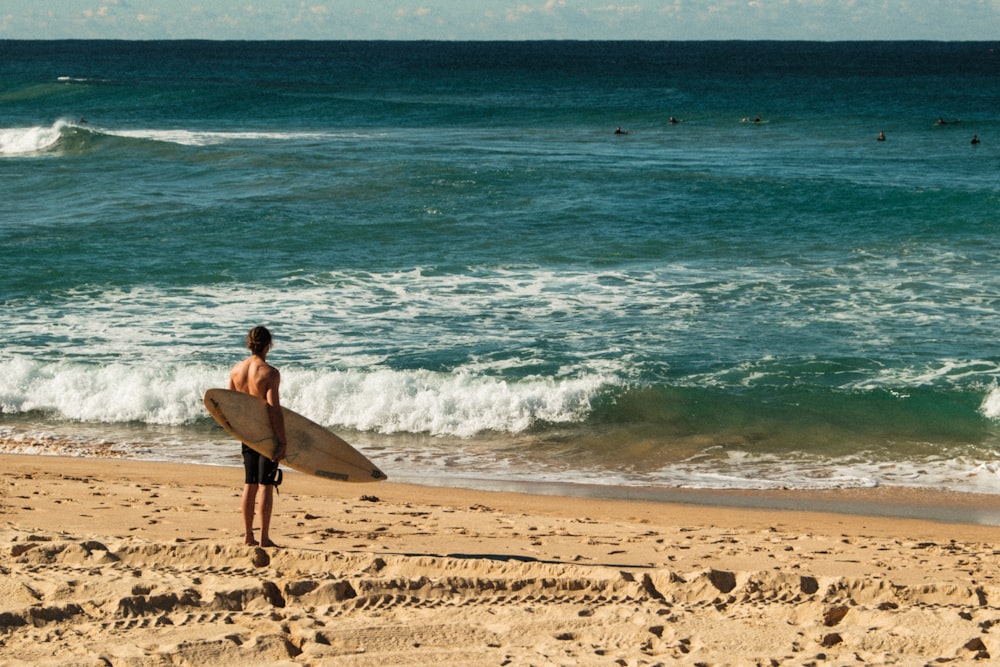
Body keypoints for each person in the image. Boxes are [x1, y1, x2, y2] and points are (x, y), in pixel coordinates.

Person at [228, 325, 287, 547]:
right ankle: (263, 538)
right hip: (266, 436)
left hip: (247, 435)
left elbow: (230, 406)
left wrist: (239, 432)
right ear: (268, 345)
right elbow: (274, 410)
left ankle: (247, 536)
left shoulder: (236, 371)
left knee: (249, 484)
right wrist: (282, 441)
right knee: (266, 485)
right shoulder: (270, 373)